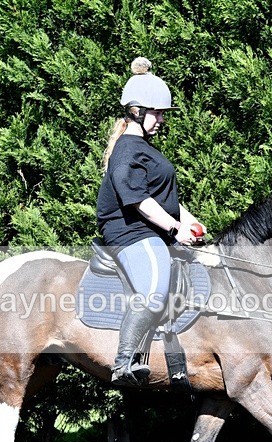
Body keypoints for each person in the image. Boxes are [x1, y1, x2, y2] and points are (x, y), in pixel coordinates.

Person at [96, 57, 206, 386]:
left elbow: (163, 198)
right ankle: (124, 361)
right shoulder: (127, 151)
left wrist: (189, 221)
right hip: (130, 232)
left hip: (151, 228)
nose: (161, 120)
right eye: (156, 113)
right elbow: (140, 202)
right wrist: (174, 228)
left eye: (162, 114)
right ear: (137, 111)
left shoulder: (144, 148)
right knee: (154, 287)